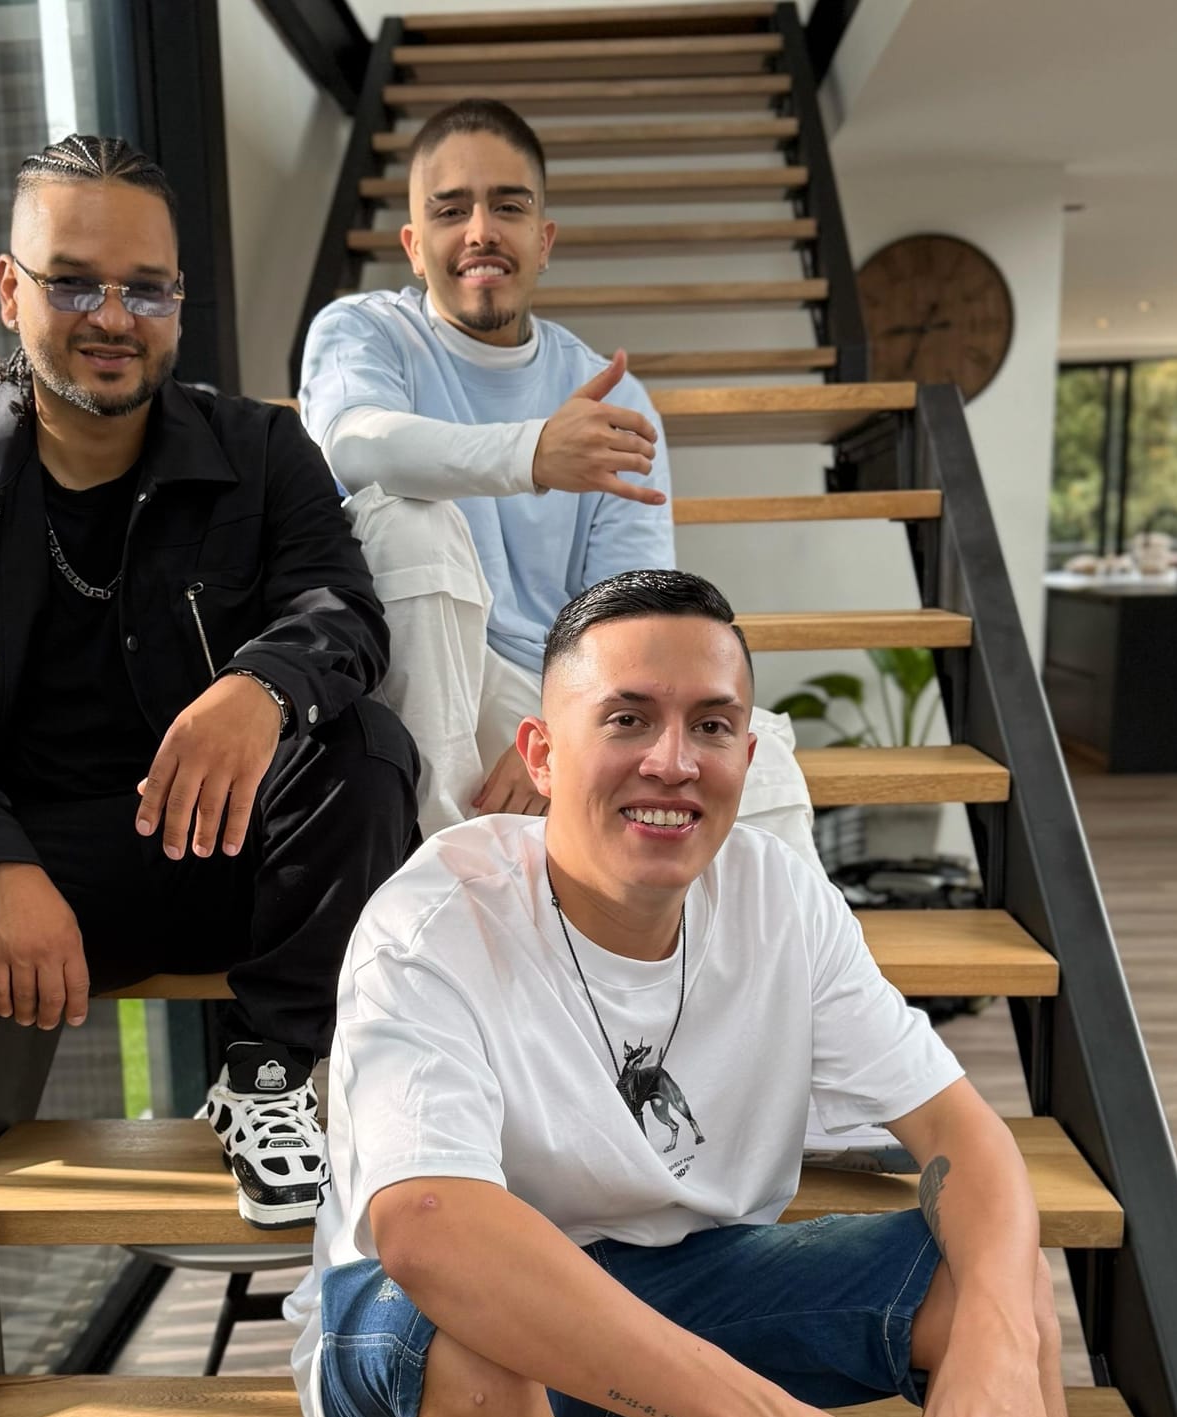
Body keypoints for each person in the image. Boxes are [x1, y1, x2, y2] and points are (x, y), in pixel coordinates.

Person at [0, 135, 416, 1417]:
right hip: (28, 871)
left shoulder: (259, 451)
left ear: (179, 303)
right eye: (74, 282)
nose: (112, 317)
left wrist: (262, 686)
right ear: (9, 291)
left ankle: (270, 1068)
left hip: (228, 855)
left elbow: (343, 611)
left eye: (147, 287)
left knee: (365, 754)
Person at [283, 570, 1081, 1417]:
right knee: (469, 1346)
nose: (672, 760)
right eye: (627, 718)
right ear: (541, 755)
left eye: (710, 724)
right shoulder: (433, 921)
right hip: (417, 1358)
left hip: (680, 1303)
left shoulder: (776, 895)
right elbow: (430, 1233)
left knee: (998, 1283)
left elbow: (959, 1135)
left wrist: (994, 1333)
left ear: (746, 756)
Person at [297, 97, 814, 862]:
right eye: (451, 210)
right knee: (407, 518)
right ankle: (449, 878)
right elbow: (355, 447)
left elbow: (633, 610)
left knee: (762, 770)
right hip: (421, 673)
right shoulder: (366, 332)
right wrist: (532, 453)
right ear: (413, 246)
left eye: (508, 206)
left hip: (556, 689)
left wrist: (561, 732)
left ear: (543, 241)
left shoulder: (610, 398)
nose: (481, 230)